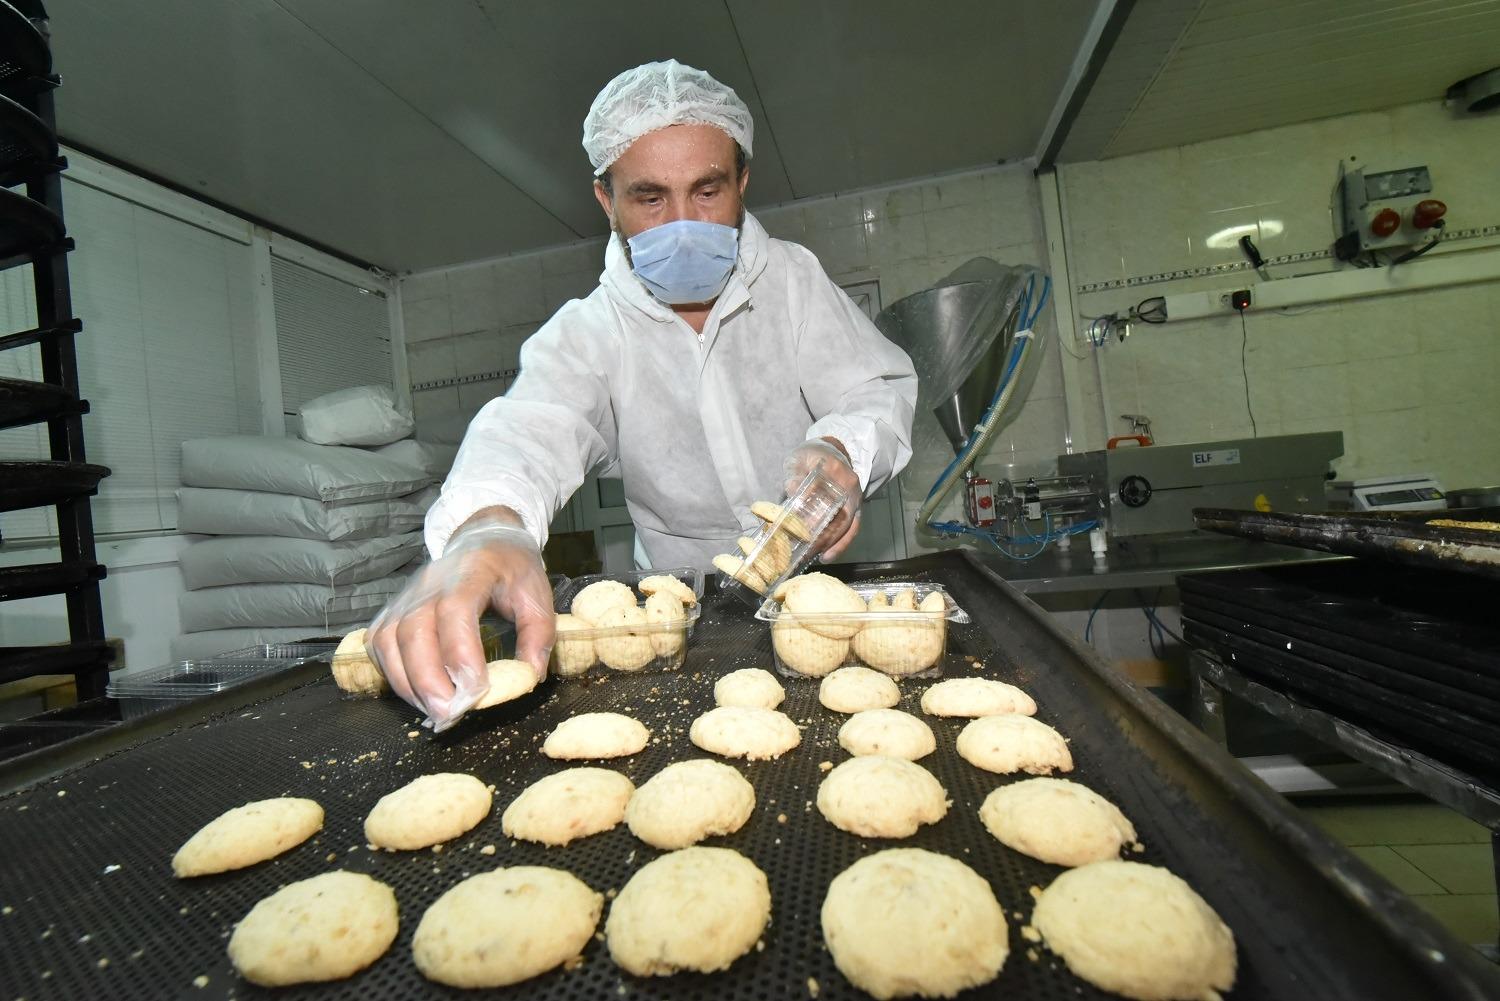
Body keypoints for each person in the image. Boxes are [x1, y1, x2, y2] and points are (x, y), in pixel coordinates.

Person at [370, 60, 917, 729]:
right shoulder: (590, 334)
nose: (683, 223)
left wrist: (840, 449)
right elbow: (530, 428)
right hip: (674, 623)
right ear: (606, 201)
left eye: (708, 190)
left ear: (743, 181)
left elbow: (875, 390)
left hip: (822, 601)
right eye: (650, 198)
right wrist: (489, 525)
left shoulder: (794, 284)